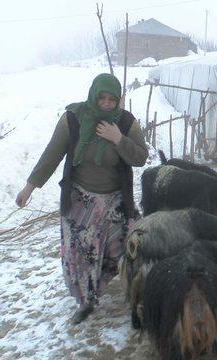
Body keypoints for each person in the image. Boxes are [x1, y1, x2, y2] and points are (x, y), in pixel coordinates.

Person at [15, 73, 148, 324]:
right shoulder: (73, 119)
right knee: (82, 255)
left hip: (115, 201)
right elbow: (51, 155)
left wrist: (118, 138)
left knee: (126, 249)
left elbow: (140, 157)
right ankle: (86, 302)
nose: (107, 104)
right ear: (93, 95)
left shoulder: (127, 122)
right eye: (102, 98)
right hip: (80, 202)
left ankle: (134, 295)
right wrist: (29, 188)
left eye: (113, 99)